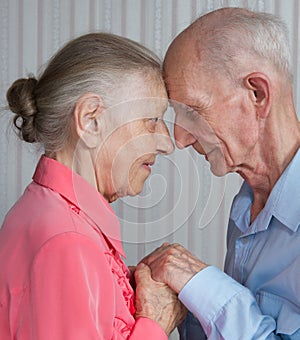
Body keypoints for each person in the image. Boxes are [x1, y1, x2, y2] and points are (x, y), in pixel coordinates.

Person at [0, 32, 186, 339]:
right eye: (152, 119)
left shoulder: (55, 219)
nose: (167, 143)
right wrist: (155, 323)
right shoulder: (67, 242)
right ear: (90, 121)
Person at [138, 7, 300, 339]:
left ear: (258, 94)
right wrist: (182, 302)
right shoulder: (246, 205)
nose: (180, 139)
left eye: (192, 111)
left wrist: (202, 284)